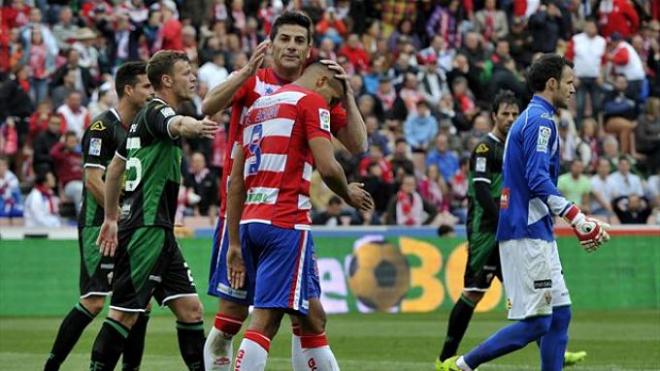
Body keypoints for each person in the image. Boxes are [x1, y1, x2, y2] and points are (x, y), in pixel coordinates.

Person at [201, 12, 367, 371]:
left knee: (310, 315)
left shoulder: (301, 99)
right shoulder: (259, 85)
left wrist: (348, 95)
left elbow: (357, 143)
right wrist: (245, 72)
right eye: (285, 39)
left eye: (299, 41)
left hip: (255, 215)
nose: (291, 46)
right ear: (271, 43)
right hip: (266, 215)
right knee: (238, 317)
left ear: (308, 50)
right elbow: (207, 106)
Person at [441, 54, 610, 371]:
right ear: (552, 84)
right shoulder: (540, 121)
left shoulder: (537, 118)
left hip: (536, 230)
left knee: (561, 314)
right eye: (570, 82)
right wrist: (576, 217)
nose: (574, 89)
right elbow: (536, 178)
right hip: (526, 232)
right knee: (536, 323)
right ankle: (463, 365)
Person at [92, 51, 218, 371]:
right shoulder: (157, 111)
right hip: (146, 228)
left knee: (191, 309)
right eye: (186, 72)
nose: (193, 78)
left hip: (159, 229)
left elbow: (117, 167)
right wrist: (193, 125)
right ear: (167, 80)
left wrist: (110, 217)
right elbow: (177, 124)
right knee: (123, 314)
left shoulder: (138, 121)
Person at [44, 61, 153, 371]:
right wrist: (115, 216)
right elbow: (93, 180)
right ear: (129, 89)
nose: (151, 92)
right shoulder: (102, 127)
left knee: (138, 303)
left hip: (128, 226)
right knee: (94, 301)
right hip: (100, 224)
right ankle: (51, 366)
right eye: (146, 86)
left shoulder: (140, 129)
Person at [436, 90, 520, 365]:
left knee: (524, 292)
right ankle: (445, 359)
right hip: (486, 230)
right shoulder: (485, 149)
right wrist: (504, 221)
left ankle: (554, 351)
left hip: (507, 230)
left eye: (514, 114)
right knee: (473, 292)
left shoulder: (515, 147)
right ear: (494, 115)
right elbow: (482, 191)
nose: (510, 118)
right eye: (505, 113)